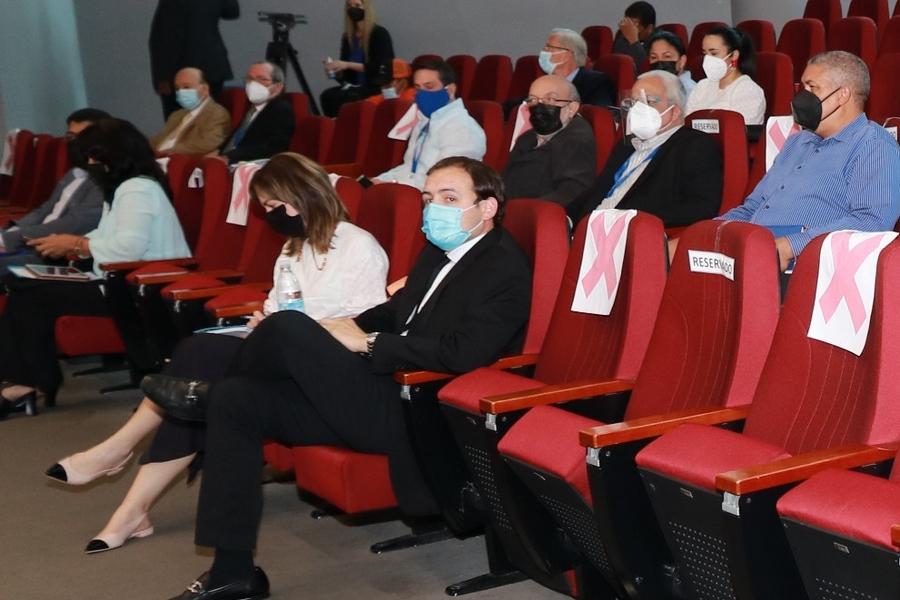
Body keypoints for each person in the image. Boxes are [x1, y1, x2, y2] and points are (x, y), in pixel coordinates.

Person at [139, 156, 531, 599]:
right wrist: (344, 327)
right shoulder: (438, 252)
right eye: (427, 198)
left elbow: (464, 352)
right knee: (236, 399)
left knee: (287, 325)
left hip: (414, 407)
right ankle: (234, 571)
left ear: (488, 207)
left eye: (449, 198)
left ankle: (204, 397)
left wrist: (366, 343)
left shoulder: (504, 265)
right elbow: (396, 313)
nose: (433, 207)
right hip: (375, 386)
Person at [45, 152, 389, 555]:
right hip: (274, 351)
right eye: (266, 208)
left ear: (304, 195)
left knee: (201, 364)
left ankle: (119, 456)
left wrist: (284, 326)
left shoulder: (357, 245)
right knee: (199, 363)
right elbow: (281, 305)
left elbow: (363, 323)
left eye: (276, 205)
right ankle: (130, 505)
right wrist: (265, 319)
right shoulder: (293, 249)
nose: (273, 215)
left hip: (324, 366)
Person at [0, 118, 191, 418]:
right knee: (22, 283)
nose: (90, 162)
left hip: (138, 288)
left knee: (33, 294)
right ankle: (27, 381)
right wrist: (65, 242)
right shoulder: (120, 188)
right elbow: (104, 236)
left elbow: (129, 249)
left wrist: (75, 245)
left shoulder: (137, 190)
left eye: (95, 155)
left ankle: (31, 383)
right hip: (113, 279)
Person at [717, 51, 900, 272]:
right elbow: (753, 207)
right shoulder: (797, 142)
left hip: (812, 270)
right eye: (802, 88)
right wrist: (712, 232)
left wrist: (791, 246)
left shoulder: (873, 146)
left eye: (812, 88)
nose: (802, 97)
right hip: (753, 253)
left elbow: (872, 222)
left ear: (842, 95)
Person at [568, 70, 722, 228]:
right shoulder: (626, 145)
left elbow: (701, 207)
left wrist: (631, 220)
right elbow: (597, 190)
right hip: (591, 229)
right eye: (634, 102)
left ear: (675, 111)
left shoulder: (695, 145)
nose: (639, 109)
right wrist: (566, 219)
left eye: (650, 101)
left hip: (632, 234)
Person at [0, 108, 109, 273]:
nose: (76, 143)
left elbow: (74, 224)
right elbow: (45, 211)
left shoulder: (104, 180)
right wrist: (9, 233)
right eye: (71, 137)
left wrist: (8, 239)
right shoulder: (73, 173)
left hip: (53, 255)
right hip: (32, 244)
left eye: (83, 137)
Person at [373, 59, 486, 190]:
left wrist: (393, 186)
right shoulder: (424, 121)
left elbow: (445, 180)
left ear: (450, 90)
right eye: (417, 88)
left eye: (429, 87)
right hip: (412, 193)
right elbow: (409, 169)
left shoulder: (463, 128)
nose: (421, 94)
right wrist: (381, 179)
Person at [503, 75, 596, 208]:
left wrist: (521, 211)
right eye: (533, 100)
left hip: (535, 217)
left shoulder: (577, 140)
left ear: (572, 108)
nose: (539, 106)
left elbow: (571, 192)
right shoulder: (528, 137)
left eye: (550, 99)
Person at [149, 0, 240, 119]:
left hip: (179, 71)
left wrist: (162, 76)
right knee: (210, 125)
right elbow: (232, 11)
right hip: (212, 66)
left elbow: (164, 36)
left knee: (179, 128)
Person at [320, 0, 394, 117]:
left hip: (375, 87)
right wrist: (336, 71)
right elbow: (346, 77)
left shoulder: (379, 34)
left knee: (347, 98)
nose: (352, 9)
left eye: (357, 5)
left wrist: (347, 65)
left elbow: (379, 68)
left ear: (366, 8)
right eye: (349, 6)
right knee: (327, 96)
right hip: (354, 86)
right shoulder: (348, 37)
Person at [214, 62, 295, 164]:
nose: (253, 84)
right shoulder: (253, 108)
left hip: (252, 166)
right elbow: (237, 139)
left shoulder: (280, 110)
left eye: (262, 79)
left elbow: (272, 147)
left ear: (278, 87)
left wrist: (228, 157)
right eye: (250, 79)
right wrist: (218, 152)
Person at [686, 26, 766, 125]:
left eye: (714, 53)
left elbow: (737, 133)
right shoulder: (702, 86)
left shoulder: (748, 90)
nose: (707, 59)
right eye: (705, 53)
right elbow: (687, 122)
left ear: (734, 55)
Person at [150, 67, 231, 155]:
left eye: (186, 87)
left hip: (180, 161)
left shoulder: (217, 113)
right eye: (177, 88)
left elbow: (207, 143)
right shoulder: (176, 115)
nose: (181, 92)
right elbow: (159, 139)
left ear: (205, 89)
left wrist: (167, 151)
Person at [538, 28, 615, 107]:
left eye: (548, 47)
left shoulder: (597, 82)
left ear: (567, 54)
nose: (543, 51)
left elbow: (598, 114)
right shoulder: (543, 82)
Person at [647, 29, 696, 95]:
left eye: (667, 56)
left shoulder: (692, 91)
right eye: (654, 57)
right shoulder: (646, 86)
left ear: (682, 61)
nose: (660, 62)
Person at [613, 1, 657, 73]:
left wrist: (634, 41)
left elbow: (645, 69)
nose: (630, 28)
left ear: (649, 28)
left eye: (635, 24)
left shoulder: (660, 41)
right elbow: (618, 66)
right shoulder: (623, 37)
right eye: (629, 23)